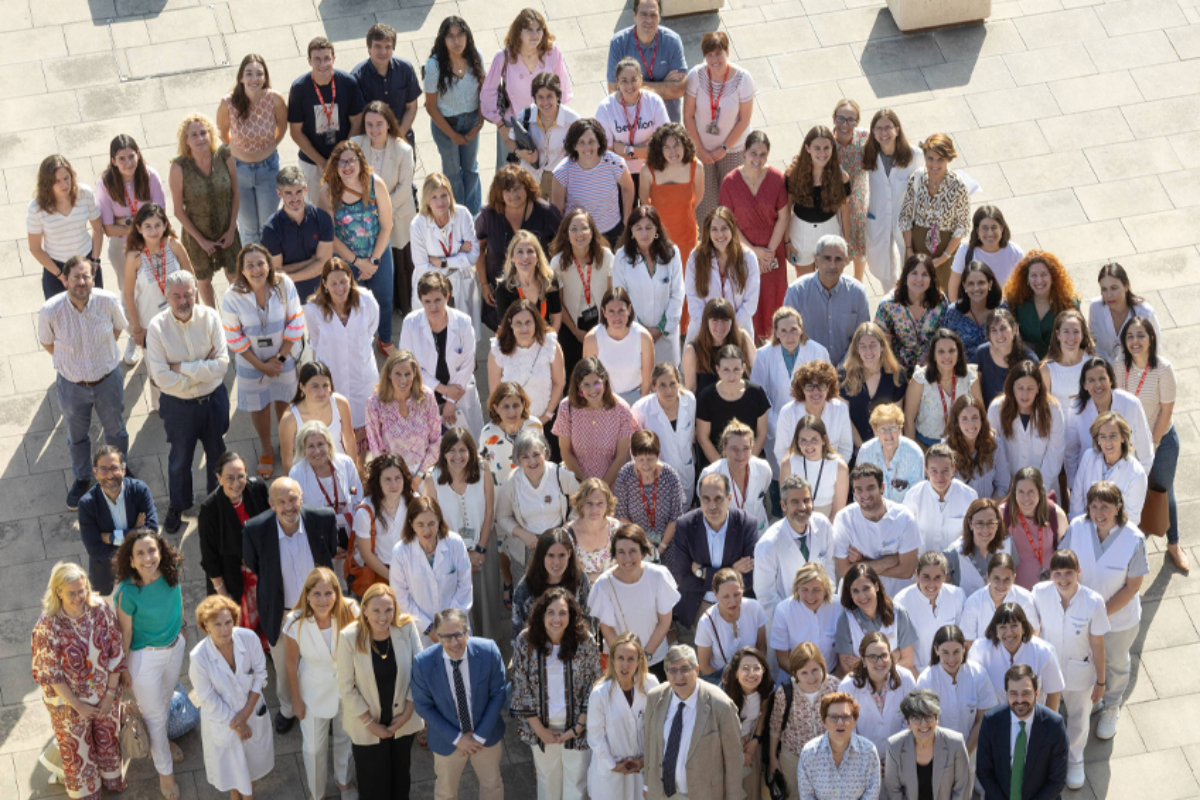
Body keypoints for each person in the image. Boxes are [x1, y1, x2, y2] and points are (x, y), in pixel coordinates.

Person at [241, 477, 338, 734]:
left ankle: (324, 706)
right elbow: (255, 565)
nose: (288, 506)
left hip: (320, 609)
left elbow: (329, 549)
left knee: (324, 661)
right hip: (281, 613)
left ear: (302, 496)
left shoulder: (323, 518)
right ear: (271, 504)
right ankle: (286, 709)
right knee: (285, 665)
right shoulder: (254, 529)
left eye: (292, 499)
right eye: (281, 501)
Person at [37, 256, 129, 510]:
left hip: (108, 381)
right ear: (65, 279)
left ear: (93, 278)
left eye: (86, 276)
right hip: (72, 387)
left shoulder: (108, 301)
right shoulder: (50, 310)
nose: (81, 281)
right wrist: (70, 361)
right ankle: (82, 478)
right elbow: (47, 342)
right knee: (77, 437)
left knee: (116, 432)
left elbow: (119, 328)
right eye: (76, 276)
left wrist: (102, 352)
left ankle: (121, 471)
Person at [1059, 481, 1147, 741]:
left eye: (1105, 507)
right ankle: (1092, 699)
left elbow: (1132, 587)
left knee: (1115, 663)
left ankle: (1111, 706)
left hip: (1119, 622)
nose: (1098, 512)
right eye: (1094, 506)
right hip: (1081, 617)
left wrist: (1098, 614)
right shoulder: (1077, 528)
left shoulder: (1134, 538)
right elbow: (1063, 564)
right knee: (1085, 659)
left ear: (1118, 507)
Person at [31, 562, 127, 800]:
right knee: (78, 754)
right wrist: (78, 705)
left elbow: (116, 651)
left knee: (108, 740)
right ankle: (88, 794)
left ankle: (111, 781)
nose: (78, 597)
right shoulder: (47, 625)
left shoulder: (101, 609)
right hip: (68, 705)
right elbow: (50, 673)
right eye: (72, 593)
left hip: (106, 694)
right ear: (58, 592)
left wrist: (109, 695)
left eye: (82, 590)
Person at [146, 270, 231, 532]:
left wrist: (181, 367)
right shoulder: (157, 328)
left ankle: (216, 505)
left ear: (195, 292)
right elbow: (161, 377)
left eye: (188, 294)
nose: (183, 301)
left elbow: (222, 364)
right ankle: (178, 505)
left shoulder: (211, 317)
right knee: (180, 459)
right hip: (178, 407)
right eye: (176, 296)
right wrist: (201, 372)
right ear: (167, 297)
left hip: (213, 401)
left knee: (217, 454)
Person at [221, 244, 305, 480]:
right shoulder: (232, 296)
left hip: (283, 357)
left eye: (261, 263)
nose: (256, 269)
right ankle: (267, 449)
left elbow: (296, 322)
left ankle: (285, 443)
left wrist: (278, 358)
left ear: (269, 265)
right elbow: (232, 336)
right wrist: (262, 366)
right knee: (259, 405)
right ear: (242, 270)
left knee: (284, 400)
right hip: (251, 363)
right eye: (250, 265)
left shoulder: (284, 284)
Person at [114, 528, 186, 799]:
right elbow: (126, 634)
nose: (147, 558)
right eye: (140, 553)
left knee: (163, 704)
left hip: (173, 649)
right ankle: (165, 775)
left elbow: (176, 604)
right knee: (155, 716)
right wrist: (122, 669)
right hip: (145, 659)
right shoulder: (127, 593)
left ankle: (161, 742)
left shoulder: (172, 571)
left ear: (161, 551)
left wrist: (182, 629)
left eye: (151, 550)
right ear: (131, 560)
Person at [334, 583, 425, 798]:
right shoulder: (349, 637)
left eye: (388, 609)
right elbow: (346, 685)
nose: (383, 617)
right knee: (372, 782)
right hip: (366, 725)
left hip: (402, 722)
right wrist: (370, 723)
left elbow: (420, 672)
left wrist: (407, 712)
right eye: (376, 610)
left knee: (400, 779)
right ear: (364, 610)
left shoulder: (407, 628)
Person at [511, 588, 602, 800]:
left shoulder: (585, 641)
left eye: (563, 613)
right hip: (542, 726)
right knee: (547, 780)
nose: (556, 619)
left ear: (571, 615)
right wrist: (540, 730)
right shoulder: (526, 641)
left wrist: (578, 726)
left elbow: (594, 684)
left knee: (577, 783)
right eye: (550, 612)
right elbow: (520, 686)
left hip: (578, 726)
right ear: (541, 614)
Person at [1030, 549, 1109, 789]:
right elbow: (1033, 632)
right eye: (1057, 573)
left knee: (1079, 717)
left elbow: (1097, 643)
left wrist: (1101, 681)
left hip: (1079, 671)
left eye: (1069, 573)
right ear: (1050, 574)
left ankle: (1075, 759)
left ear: (1078, 573)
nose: (1063, 579)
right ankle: (1045, 758)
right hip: (1047, 670)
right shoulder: (1038, 593)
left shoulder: (1093, 602)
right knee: (1043, 716)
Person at [411, 607, 507, 800]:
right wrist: (458, 738)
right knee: (445, 792)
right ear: (437, 636)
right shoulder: (423, 663)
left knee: (492, 786)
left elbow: (498, 694)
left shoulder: (488, 651)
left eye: (458, 635)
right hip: (447, 740)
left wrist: (478, 736)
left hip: (485, 737)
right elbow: (422, 705)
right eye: (446, 637)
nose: (454, 642)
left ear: (468, 631)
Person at [282, 567, 359, 800]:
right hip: (312, 690)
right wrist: (296, 700)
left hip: (346, 686)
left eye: (328, 593)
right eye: (317, 594)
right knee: (314, 748)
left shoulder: (350, 610)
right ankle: (317, 793)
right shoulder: (295, 622)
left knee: (346, 738)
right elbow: (290, 664)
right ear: (307, 595)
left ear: (337, 593)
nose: (323, 600)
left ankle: (344, 780)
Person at [1114, 315, 1185, 569]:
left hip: (1161, 441)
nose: (1135, 341)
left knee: (1164, 492)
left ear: (1151, 338)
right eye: (1130, 336)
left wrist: (1150, 447)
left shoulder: (1162, 369)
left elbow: (1165, 412)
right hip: (1128, 443)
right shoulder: (1120, 365)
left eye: (1140, 335)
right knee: (1130, 491)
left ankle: (1174, 544)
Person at [188, 593, 274, 800]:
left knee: (250, 766)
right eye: (217, 624)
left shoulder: (249, 639)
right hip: (223, 723)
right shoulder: (198, 657)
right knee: (232, 769)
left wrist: (245, 715)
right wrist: (238, 724)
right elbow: (208, 699)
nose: (225, 629)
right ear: (206, 626)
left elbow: (260, 675)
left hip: (251, 714)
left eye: (228, 622)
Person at [424, 428, 501, 640]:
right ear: (443, 453)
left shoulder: (483, 469)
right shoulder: (432, 479)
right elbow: (433, 523)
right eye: (452, 451)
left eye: (463, 450)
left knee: (487, 606)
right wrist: (463, 556)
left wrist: (480, 549)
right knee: (459, 609)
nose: (457, 456)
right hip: (450, 554)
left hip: (483, 548)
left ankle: (489, 650)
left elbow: (489, 512)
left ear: (471, 451)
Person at [96, 135, 168, 364]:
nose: (128, 162)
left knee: (155, 287)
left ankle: (159, 332)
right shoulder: (106, 184)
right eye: (122, 158)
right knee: (129, 292)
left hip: (153, 242)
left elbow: (161, 216)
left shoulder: (150, 175)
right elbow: (108, 228)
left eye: (131, 156)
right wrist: (138, 225)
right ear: (113, 161)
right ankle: (134, 336)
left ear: (138, 154)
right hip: (122, 248)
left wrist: (128, 222)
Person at [319, 140, 395, 350]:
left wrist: (373, 261)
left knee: (385, 301)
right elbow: (330, 235)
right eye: (341, 162)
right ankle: (358, 344)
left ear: (361, 162)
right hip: (347, 260)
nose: (347, 166)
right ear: (335, 166)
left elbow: (387, 226)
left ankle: (386, 340)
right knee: (352, 305)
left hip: (378, 253)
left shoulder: (375, 184)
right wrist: (358, 262)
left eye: (352, 161)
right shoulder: (328, 193)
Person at [644, 644, 745, 800]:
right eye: (673, 670)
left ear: (697, 670)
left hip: (703, 795)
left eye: (685, 669)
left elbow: (734, 759)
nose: (679, 676)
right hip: (662, 793)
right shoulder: (655, 698)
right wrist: (647, 785)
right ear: (665, 673)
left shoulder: (721, 705)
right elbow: (650, 745)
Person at [714, 130, 788, 339]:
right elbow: (729, 222)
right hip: (744, 249)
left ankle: (777, 341)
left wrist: (769, 252)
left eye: (763, 154)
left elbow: (783, 216)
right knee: (747, 296)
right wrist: (754, 252)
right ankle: (750, 344)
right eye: (753, 153)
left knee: (774, 297)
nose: (757, 159)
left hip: (773, 250)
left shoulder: (776, 178)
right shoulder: (730, 181)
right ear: (744, 151)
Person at [481, 8, 574, 169]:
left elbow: (563, 90)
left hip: (544, 127)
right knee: (509, 181)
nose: (535, 35)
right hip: (513, 127)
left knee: (542, 180)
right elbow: (487, 93)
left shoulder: (552, 53)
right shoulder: (503, 57)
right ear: (519, 32)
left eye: (539, 30)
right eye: (529, 30)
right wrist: (501, 126)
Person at [304, 260, 379, 453]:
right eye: (334, 283)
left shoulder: (367, 301)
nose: (339, 288)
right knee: (336, 433)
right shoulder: (313, 309)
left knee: (364, 431)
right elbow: (315, 342)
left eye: (343, 282)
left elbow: (371, 331)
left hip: (362, 377)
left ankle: (361, 473)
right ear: (325, 284)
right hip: (333, 379)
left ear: (350, 280)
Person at [684, 32, 757, 226]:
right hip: (702, 150)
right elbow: (688, 115)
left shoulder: (743, 79)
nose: (714, 60)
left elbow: (744, 119)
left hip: (732, 149)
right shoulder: (696, 76)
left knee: (732, 202)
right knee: (705, 203)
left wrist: (723, 148)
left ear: (728, 52)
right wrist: (700, 149)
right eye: (709, 55)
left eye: (718, 54)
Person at [475, 166, 563, 328]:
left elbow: (562, 244)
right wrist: (484, 284)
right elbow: (479, 248)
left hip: (538, 289)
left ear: (527, 187)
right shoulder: (489, 215)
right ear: (499, 193)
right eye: (507, 191)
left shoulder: (545, 212)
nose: (513, 195)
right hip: (500, 292)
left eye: (517, 189)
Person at [672, 471, 760, 632]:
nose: (712, 505)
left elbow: (749, 578)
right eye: (706, 499)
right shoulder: (685, 525)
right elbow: (682, 578)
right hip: (698, 610)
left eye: (718, 498)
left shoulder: (747, 524)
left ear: (729, 498)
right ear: (700, 499)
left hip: (737, 608)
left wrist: (702, 572)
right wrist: (732, 571)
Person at [352, 101, 418, 316]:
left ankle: (400, 306)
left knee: (398, 264)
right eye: (369, 124)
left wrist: (380, 210)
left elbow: (404, 188)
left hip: (397, 215)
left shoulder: (403, 149)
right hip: (363, 218)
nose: (374, 130)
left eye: (379, 124)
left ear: (389, 124)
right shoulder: (355, 145)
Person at [399, 271, 485, 435]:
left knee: (466, 446)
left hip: (460, 394)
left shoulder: (463, 322)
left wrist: (450, 401)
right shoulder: (410, 323)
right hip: (426, 394)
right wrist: (444, 390)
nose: (433, 307)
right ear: (420, 301)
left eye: (438, 300)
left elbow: (468, 364)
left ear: (447, 296)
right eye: (427, 301)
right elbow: (410, 367)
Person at [170, 113, 242, 307]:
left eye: (204, 133)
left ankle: (236, 317)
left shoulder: (225, 155)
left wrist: (231, 229)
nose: (200, 138)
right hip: (197, 234)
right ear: (186, 140)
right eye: (194, 135)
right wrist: (201, 240)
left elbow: (236, 193)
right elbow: (178, 210)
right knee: (203, 281)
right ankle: (213, 321)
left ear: (211, 135)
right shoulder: (179, 167)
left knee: (235, 276)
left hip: (227, 227)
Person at [217, 54, 288, 246]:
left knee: (268, 226)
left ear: (265, 77)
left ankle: (268, 270)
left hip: (268, 169)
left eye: (259, 74)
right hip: (240, 171)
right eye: (249, 73)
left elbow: (282, 126)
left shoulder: (274, 99)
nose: (254, 79)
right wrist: (240, 151)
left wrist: (271, 145)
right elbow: (223, 134)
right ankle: (250, 272)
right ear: (241, 77)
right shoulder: (228, 103)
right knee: (248, 229)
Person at [494, 429, 580, 583]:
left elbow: (580, 502)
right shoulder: (511, 482)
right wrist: (522, 533)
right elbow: (502, 516)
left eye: (536, 455)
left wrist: (567, 528)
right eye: (525, 457)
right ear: (518, 460)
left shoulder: (561, 475)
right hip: (526, 546)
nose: (532, 461)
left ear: (545, 453)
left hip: (558, 544)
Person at [123, 204, 195, 385]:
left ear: (165, 225)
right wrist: (137, 328)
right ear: (138, 228)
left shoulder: (174, 246)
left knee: (182, 365)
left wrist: (196, 315)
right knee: (157, 372)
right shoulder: (134, 256)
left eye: (157, 225)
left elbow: (191, 281)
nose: (153, 230)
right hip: (150, 323)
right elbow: (129, 295)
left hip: (180, 318)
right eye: (147, 226)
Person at [288, 36, 366, 202]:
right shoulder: (299, 88)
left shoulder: (348, 83)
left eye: (326, 59)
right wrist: (323, 163)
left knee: (347, 206)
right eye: (317, 59)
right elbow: (295, 132)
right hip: (312, 162)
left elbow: (357, 122)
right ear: (309, 61)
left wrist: (341, 156)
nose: (322, 64)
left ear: (334, 59)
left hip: (345, 159)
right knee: (317, 211)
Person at [754, 307, 830, 475]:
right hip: (774, 427)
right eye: (784, 331)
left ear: (801, 329)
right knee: (781, 478)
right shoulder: (763, 355)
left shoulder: (818, 351)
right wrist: (775, 424)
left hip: (813, 427)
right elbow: (759, 395)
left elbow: (828, 390)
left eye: (794, 330)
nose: (790, 336)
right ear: (776, 332)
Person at [388, 494, 472, 647]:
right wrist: (429, 629)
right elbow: (401, 597)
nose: (427, 530)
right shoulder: (400, 553)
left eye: (431, 523)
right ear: (411, 524)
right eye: (420, 524)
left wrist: (449, 625)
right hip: (420, 634)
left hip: (456, 629)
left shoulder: (455, 544)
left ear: (439, 521)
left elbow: (464, 587)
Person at [975, 665, 1069, 800]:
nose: (1020, 700)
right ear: (1006, 694)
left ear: (1036, 693)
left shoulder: (1054, 725)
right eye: (1013, 693)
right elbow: (984, 771)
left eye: (1026, 693)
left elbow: (1057, 779)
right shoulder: (991, 721)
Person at [423, 15, 486, 214]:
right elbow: (430, 106)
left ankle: (473, 215)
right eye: (450, 36)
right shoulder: (435, 66)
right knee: (452, 173)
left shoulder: (476, 56)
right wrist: (452, 135)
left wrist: (480, 123)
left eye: (460, 35)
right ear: (443, 40)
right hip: (446, 125)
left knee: (471, 169)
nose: (456, 41)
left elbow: (484, 93)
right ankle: (457, 213)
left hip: (472, 122)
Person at [587, 631, 660, 800]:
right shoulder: (600, 693)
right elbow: (595, 735)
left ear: (639, 660)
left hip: (641, 768)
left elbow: (658, 727)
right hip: (610, 771)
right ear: (612, 659)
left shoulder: (651, 684)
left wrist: (644, 760)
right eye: (620, 658)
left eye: (630, 659)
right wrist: (613, 765)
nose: (624, 665)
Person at [755, 475, 837, 623]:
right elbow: (766, 597)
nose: (802, 507)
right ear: (783, 505)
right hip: (787, 622)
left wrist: (825, 604)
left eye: (806, 500)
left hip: (823, 615)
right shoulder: (767, 545)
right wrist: (794, 619)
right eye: (795, 502)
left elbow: (830, 566)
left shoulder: (823, 525)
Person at [198, 452, 270, 620]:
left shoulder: (257, 489)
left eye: (241, 476)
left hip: (260, 572)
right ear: (219, 478)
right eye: (229, 478)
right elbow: (210, 559)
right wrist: (223, 596)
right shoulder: (210, 509)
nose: (236, 484)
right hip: (232, 579)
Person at [834, 463, 923, 597]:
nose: (865, 495)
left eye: (870, 488)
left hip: (896, 597)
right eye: (858, 489)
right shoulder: (844, 519)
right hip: (858, 599)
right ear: (853, 493)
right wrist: (889, 561)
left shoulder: (904, 517)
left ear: (882, 488)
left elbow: (907, 570)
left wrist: (862, 563)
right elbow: (846, 571)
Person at [642, 125, 703, 319]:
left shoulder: (696, 167)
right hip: (659, 239)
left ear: (685, 144)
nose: (672, 152)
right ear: (659, 149)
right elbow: (645, 204)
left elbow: (697, 197)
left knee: (686, 283)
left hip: (687, 236)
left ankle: (685, 328)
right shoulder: (647, 171)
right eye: (666, 147)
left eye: (676, 145)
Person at [612, 204, 686, 366]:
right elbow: (620, 297)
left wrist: (660, 329)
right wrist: (641, 330)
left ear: (657, 229)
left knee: (667, 383)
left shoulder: (672, 253)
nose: (644, 233)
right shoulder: (621, 258)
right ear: (631, 231)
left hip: (666, 335)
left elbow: (677, 293)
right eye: (638, 228)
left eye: (648, 227)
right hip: (635, 335)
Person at [915, 625, 996, 772]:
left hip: (972, 755)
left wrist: (966, 753)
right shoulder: (926, 680)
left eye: (956, 652)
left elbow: (982, 719)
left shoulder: (978, 674)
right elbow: (924, 725)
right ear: (936, 650)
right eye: (945, 652)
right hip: (937, 757)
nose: (951, 659)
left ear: (964, 648)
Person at [78, 445, 157, 595]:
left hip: (143, 572)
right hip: (107, 578)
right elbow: (95, 550)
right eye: (103, 469)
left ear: (123, 469)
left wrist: (111, 537)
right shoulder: (87, 504)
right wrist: (135, 531)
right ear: (95, 473)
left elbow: (152, 532)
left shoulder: (140, 491)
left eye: (114, 468)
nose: (109, 475)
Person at [767, 642, 841, 800]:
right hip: (794, 758)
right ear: (795, 673)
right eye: (804, 673)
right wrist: (773, 758)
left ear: (823, 666)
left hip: (828, 758)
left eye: (815, 670)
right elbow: (775, 729)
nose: (811, 678)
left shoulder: (835, 687)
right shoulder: (784, 692)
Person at [27, 154, 105, 300]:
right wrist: (60, 275)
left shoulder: (85, 194)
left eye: (66, 178)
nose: (64, 184)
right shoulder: (36, 208)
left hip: (87, 261)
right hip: (56, 267)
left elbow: (98, 228)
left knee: (96, 314)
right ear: (47, 183)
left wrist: (95, 261)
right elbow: (35, 248)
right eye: (57, 181)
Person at [898, 133, 970, 293]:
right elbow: (905, 217)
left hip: (945, 250)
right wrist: (909, 251)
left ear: (949, 159)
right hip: (916, 246)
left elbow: (962, 226)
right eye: (930, 158)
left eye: (940, 159)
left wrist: (943, 257)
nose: (934, 164)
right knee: (912, 294)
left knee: (940, 296)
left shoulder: (958, 186)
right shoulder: (917, 178)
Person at [783, 235, 870, 365]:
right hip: (808, 370)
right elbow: (788, 338)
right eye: (827, 258)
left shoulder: (857, 293)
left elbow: (863, 338)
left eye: (838, 259)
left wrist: (842, 369)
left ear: (846, 261)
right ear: (816, 260)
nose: (832, 265)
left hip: (848, 370)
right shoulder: (796, 292)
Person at [1067, 356, 1154, 485]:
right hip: (1089, 484)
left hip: (1126, 482)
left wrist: (1138, 482)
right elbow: (1071, 451)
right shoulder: (1076, 408)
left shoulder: (1131, 404)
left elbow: (1145, 449)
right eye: (1091, 380)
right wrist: (1073, 485)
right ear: (1084, 385)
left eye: (1102, 378)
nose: (1098, 385)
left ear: (1111, 381)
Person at [411, 172, 482, 329]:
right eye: (434, 197)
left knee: (465, 338)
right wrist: (458, 258)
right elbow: (423, 269)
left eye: (444, 195)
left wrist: (442, 262)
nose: (440, 202)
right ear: (427, 200)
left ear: (450, 195)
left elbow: (474, 255)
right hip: (432, 291)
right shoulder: (418, 225)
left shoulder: (462, 214)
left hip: (460, 287)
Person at [863, 108, 923, 288]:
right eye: (879, 128)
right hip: (878, 220)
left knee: (910, 269)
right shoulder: (869, 154)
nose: (884, 133)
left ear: (897, 129)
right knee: (885, 273)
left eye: (888, 127)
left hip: (905, 223)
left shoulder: (915, 156)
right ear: (873, 132)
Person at [554, 357, 637, 485]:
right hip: (577, 485)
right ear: (578, 386)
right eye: (586, 385)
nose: (592, 390)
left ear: (604, 381)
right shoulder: (567, 407)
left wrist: (601, 488)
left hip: (610, 487)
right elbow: (565, 451)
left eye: (597, 383)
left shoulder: (622, 410)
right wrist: (586, 485)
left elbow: (621, 457)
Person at [552, 118, 635, 244]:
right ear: (574, 145)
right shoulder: (562, 171)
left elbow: (627, 187)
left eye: (591, 141)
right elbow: (558, 210)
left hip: (612, 232)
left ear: (599, 143)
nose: (587, 147)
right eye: (581, 142)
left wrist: (627, 219)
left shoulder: (615, 162)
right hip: (579, 236)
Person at [552, 208, 614, 373]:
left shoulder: (606, 256)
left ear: (592, 232)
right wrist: (576, 331)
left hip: (602, 323)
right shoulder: (558, 262)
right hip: (571, 326)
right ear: (566, 234)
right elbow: (557, 303)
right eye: (574, 229)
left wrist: (604, 326)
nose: (580, 233)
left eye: (584, 228)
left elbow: (611, 295)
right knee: (575, 375)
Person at [838, 632, 918, 761]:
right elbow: (848, 730)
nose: (879, 662)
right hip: (862, 761)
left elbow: (912, 719)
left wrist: (894, 757)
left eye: (884, 655)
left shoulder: (906, 679)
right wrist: (870, 762)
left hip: (901, 758)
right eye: (873, 657)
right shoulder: (848, 686)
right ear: (863, 660)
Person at [967, 603, 1064, 709]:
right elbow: (973, 690)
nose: (1009, 633)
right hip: (993, 720)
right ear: (996, 631)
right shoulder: (980, 649)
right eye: (1003, 627)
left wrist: (1046, 724)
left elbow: (1053, 693)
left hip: (1032, 720)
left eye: (1014, 626)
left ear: (1023, 628)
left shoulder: (1044, 651)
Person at [261, 166, 336, 303]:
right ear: (279, 194)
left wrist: (287, 274)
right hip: (286, 297)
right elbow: (276, 272)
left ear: (305, 190)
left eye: (298, 192)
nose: (294, 198)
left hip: (320, 295)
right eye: (288, 193)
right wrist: (312, 261)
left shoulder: (322, 219)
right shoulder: (271, 229)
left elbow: (324, 264)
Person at [364, 349, 442, 479]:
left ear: (415, 374)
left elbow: (436, 440)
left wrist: (419, 477)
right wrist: (395, 479)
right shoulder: (374, 404)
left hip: (426, 474)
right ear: (389, 374)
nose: (403, 380)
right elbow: (376, 447)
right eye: (398, 374)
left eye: (407, 374)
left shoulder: (427, 397)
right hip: (392, 478)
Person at [686, 207, 760, 341]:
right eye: (714, 229)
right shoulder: (696, 257)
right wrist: (712, 329)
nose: (720, 234)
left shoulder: (748, 258)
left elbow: (750, 302)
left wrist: (728, 328)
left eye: (724, 228)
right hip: (703, 333)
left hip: (738, 330)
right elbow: (693, 299)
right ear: (708, 232)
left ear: (732, 229)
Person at [289, 420, 363, 553]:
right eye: (311, 446)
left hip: (352, 530)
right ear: (303, 449)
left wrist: (357, 530)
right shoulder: (296, 473)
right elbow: (298, 512)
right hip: (318, 537)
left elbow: (355, 490)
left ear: (328, 444)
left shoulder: (346, 463)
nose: (317, 451)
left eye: (320, 444)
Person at [786, 126, 851, 276]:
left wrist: (845, 243)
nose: (822, 153)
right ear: (807, 148)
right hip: (800, 234)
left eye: (826, 148)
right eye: (817, 148)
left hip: (830, 232)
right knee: (805, 286)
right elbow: (786, 210)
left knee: (829, 284)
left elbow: (844, 212)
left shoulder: (841, 177)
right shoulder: (793, 173)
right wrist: (787, 242)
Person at [883, 689, 971, 800]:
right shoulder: (894, 746)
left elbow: (962, 789)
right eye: (916, 718)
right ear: (907, 722)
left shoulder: (955, 743)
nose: (924, 724)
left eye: (929, 716)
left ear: (937, 718)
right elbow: (894, 791)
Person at [607, 0, 688, 122]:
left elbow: (680, 89)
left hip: (667, 123)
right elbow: (614, 89)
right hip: (632, 124)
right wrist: (665, 85)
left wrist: (632, 85)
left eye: (653, 15)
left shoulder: (672, 41)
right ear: (634, 15)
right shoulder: (619, 43)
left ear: (660, 16)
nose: (649, 20)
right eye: (643, 14)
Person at [987, 360, 1066, 484]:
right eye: (1020, 388)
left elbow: (1055, 453)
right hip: (1007, 487)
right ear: (1012, 387)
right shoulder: (997, 408)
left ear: (1038, 388)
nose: (1025, 394)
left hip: (1044, 486)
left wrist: (1039, 487)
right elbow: (992, 450)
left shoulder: (1053, 409)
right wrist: (1006, 483)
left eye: (1030, 388)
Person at [348, 452, 417, 592]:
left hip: (413, 573)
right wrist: (394, 579)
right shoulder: (366, 511)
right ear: (378, 481)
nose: (394, 484)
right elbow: (366, 554)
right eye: (387, 479)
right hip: (381, 576)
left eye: (398, 478)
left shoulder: (414, 502)